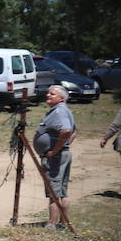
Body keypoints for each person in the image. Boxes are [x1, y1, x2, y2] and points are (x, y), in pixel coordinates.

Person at [35, 85, 76, 228]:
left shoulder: (59, 111)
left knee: (53, 191)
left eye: (52, 93)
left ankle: (52, 224)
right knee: (61, 191)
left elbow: (66, 131)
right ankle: (63, 222)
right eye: (48, 92)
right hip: (62, 154)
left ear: (61, 98)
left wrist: (55, 150)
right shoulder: (63, 111)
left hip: (56, 157)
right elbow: (74, 132)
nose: (48, 95)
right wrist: (64, 145)